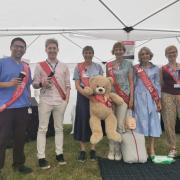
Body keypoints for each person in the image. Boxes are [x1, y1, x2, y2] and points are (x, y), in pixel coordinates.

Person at [33, 39, 70, 169]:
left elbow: (68, 85)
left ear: (58, 49)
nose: (52, 50)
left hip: (60, 101)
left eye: (54, 48)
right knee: (42, 129)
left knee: (59, 129)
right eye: (50, 48)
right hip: (45, 100)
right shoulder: (39, 65)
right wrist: (42, 83)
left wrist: (66, 101)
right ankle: (41, 157)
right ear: (46, 49)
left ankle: (59, 154)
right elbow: (34, 84)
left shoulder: (64, 66)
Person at [0, 37, 32, 176]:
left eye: (22, 47)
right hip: (6, 106)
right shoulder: (2, 63)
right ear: (11, 47)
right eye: (16, 46)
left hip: (23, 107)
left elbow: (28, 85)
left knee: (20, 137)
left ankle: (19, 164)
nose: (19, 49)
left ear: (25, 50)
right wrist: (8, 84)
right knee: (3, 138)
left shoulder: (26, 67)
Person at [73, 46, 104, 162]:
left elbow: (102, 83)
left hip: (96, 97)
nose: (88, 54)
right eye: (86, 52)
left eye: (90, 52)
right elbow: (77, 85)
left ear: (93, 54)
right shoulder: (78, 67)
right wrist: (87, 95)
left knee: (95, 122)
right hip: (82, 97)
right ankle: (82, 150)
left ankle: (93, 149)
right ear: (83, 54)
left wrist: (95, 96)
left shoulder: (98, 67)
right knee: (82, 120)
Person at [106, 41, 134, 160]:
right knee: (111, 124)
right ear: (114, 51)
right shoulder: (108, 65)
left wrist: (132, 98)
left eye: (120, 49)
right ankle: (111, 149)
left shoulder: (128, 64)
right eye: (116, 49)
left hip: (124, 97)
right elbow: (107, 82)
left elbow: (131, 81)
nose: (118, 51)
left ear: (124, 51)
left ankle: (119, 150)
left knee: (120, 125)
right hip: (112, 96)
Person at [133, 47, 162, 158]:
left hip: (152, 97)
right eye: (142, 54)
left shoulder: (156, 69)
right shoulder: (136, 69)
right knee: (141, 121)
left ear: (150, 55)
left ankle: (152, 147)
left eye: (147, 54)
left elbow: (158, 85)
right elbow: (134, 84)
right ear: (140, 56)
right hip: (139, 97)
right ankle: (143, 147)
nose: (145, 56)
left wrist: (158, 100)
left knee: (152, 121)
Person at [161, 45, 180, 158]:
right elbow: (161, 83)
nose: (171, 54)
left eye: (173, 52)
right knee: (169, 123)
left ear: (177, 53)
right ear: (166, 55)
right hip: (167, 95)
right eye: (169, 52)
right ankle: (172, 148)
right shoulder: (162, 68)